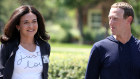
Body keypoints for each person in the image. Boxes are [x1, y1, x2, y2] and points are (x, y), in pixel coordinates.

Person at [85, 2, 140, 79]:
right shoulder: (99, 48)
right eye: (110, 18)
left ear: (129, 20)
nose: (110, 23)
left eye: (115, 19)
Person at [0, 5, 50, 79]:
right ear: (18, 26)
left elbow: (44, 74)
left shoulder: (45, 47)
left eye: (34, 21)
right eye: (26, 22)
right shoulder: (7, 46)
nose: (31, 26)